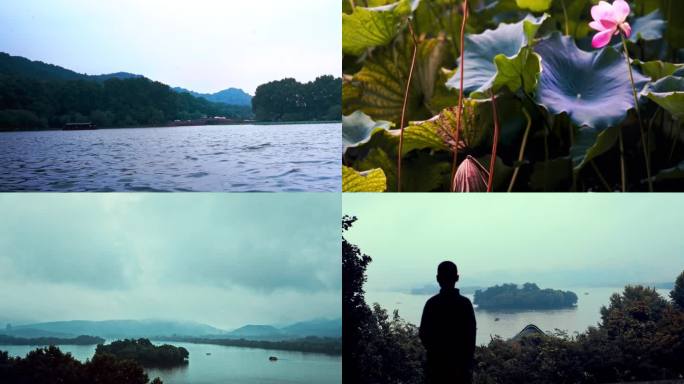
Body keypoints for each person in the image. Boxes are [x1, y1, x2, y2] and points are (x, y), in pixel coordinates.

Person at [419, 261, 476, 384]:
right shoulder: (465, 304)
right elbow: (471, 338)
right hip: (461, 369)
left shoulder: (432, 304)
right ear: (457, 278)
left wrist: (437, 353)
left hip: (436, 368)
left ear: (438, 279)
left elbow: (423, 335)